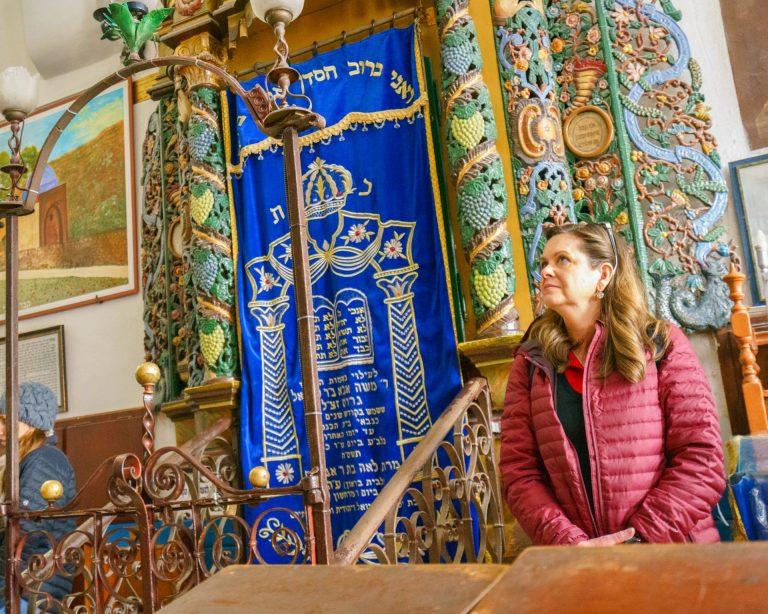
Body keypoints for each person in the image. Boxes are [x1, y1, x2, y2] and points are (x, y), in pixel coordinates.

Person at [500, 222, 725, 546]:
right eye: (543, 263)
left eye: (562, 260)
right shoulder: (532, 361)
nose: (546, 271)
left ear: (603, 275)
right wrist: (570, 544)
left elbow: (702, 457)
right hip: (584, 566)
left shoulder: (660, 344)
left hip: (671, 553)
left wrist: (639, 540)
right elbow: (519, 473)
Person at [0, 383, 76, 611]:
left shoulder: (44, 460)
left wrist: (7, 587)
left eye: (6, 421)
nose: (0, 428)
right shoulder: (27, 459)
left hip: (32, 585)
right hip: (25, 582)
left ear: (31, 424)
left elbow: (29, 531)